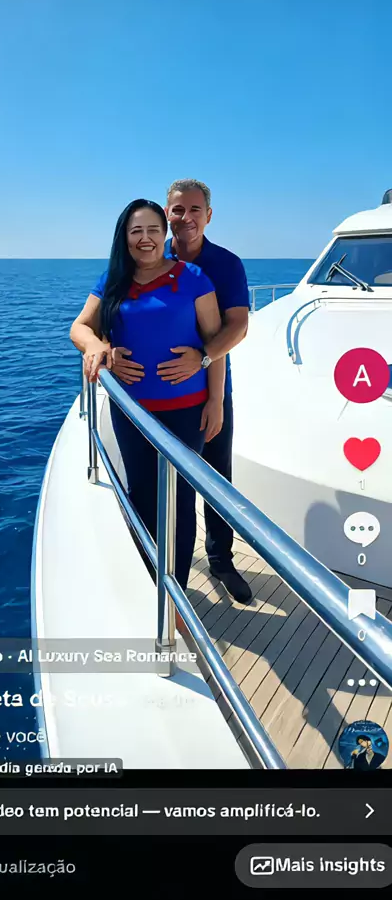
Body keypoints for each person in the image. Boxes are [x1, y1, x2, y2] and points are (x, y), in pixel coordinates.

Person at [70, 198, 226, 591]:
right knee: (140, 493)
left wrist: (215, 400)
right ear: (124, 237)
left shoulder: (193, 278)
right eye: (136, 231)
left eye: (153, 230)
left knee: (179, 500)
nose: (145, 238)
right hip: (131, 411)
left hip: (186, 411)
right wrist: (98, 347)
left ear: (164, 234)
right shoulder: (113, 280)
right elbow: (80, 327)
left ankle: (175, 595)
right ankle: (148, 582)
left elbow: (215, 343)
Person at [112, 179, 252, 603]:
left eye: (194, 209)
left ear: (208, 215)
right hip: (157, 399)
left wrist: (208, 372)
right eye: (178, 210)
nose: (186, 217)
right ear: (166, 215)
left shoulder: (225, 264)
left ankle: (221, 559)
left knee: (215, 477)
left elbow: (237, 326)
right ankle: (158, 570)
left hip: (210, 388)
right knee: (163, 489)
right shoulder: (152, 254)